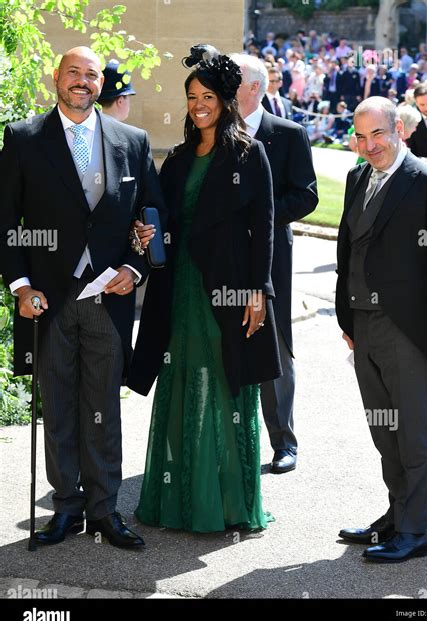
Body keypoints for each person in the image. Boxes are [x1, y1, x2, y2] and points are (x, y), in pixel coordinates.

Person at [0, 47, 166, 548]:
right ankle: (66, 508)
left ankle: (105, 511)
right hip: (47, 300)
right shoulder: (24, 138)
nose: (82, 81)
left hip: (108, 301)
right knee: (59, 405)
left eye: (91, 75)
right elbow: (6, 221)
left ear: (100, 84)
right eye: (73, 72)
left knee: (103, 407)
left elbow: (154, 216)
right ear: (56, 77)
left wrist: (136, 268)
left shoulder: (131, 141)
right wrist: (21, 285)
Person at [127, 45, 281, 532]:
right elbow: (158, 219)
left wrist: (259, 291)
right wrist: (144, 233)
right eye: (192, 96)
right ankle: (178, 499)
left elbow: (265, 226)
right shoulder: (176, 159)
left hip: (230, 293)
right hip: (179, 292)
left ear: (226, 100)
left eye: (207, 95)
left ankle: (230, 502)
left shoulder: (249, 154)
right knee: (181, 384)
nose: (198, 104)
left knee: (226, 387)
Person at [335, 96, 427, 563]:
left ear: (400, 131)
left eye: (379, 135)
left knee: (413, 433)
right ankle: (394, 516)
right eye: (361, 136)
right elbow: (347, 251)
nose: (370, 146)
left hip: (410, 331)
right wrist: (345, 319)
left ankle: (414, 533)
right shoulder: (356, 177)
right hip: (363, 327)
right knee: (383, 430)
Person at [230, 53, 318, 473]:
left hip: (271, 258)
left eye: (232, 80)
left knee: (275, 345)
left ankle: (284, 442)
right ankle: (227, 441)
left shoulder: (289, 133)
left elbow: (307, 195)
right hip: (222, 258)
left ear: (254, 88)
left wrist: (259, 215)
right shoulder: (214, 129)